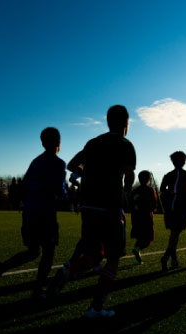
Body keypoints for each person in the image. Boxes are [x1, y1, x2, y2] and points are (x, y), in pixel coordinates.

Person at [47, 105, 136, 319]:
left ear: (107, 122)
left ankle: (67, 272)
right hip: (110, 206)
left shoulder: (93, 142)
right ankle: (96, 307)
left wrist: (86, 173)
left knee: (94, 255)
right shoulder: (125, 145)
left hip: (87, 206)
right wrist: (126, 188)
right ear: (126, 123)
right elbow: (129, 174)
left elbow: (72, 164)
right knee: (113, 258)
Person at [0, 127, 67, 298]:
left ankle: (1, 268)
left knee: (33, 251)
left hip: (30, 213)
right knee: (48, 252)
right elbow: (58, 190)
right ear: (59, 142)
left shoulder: (35, 162)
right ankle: (38, 289)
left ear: (42, 143)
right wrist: (68, 194)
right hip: (45, 214)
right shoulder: (58, 164)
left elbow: (23, 186)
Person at [159, 151, 186, 272]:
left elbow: (162, 189)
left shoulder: (168, 175)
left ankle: (174, 260)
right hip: (181, 209)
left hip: (170, 210)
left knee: (174, 235)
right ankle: (166, 257)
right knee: (175, 235)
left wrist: (170, 192)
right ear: (184, 161)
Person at [131, 171, 158, 264]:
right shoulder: (150, 190)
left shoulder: (135, 191)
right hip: (146, 217)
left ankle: (138, 258)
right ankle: (137, 249)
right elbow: (154, 205)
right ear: (148, 179)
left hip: (135, 218)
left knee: (139, 237)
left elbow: (131, 205)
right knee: (149, 239)